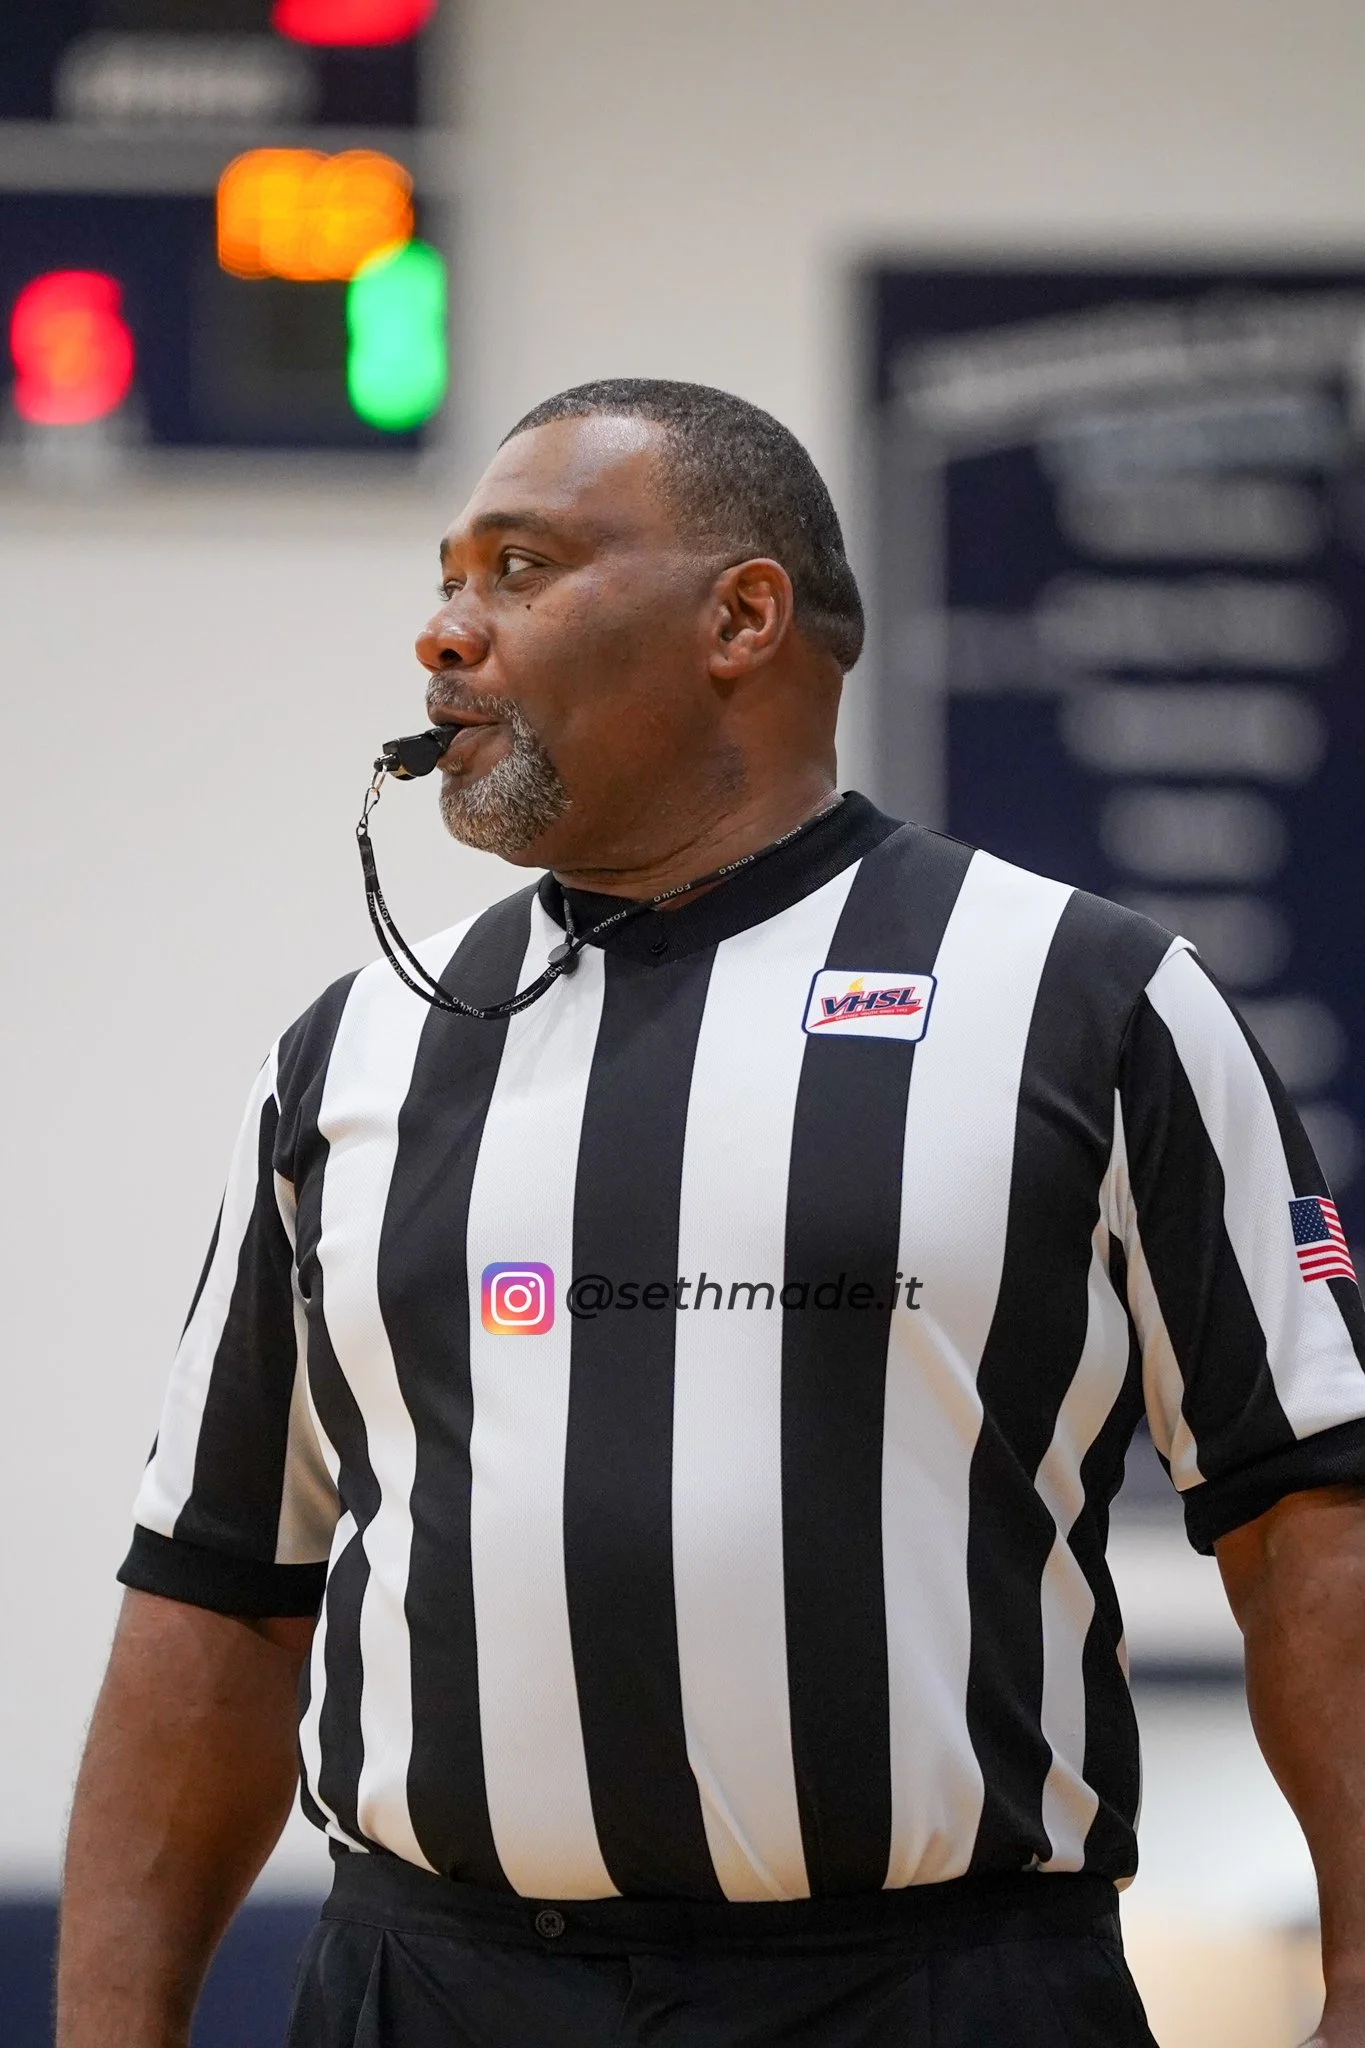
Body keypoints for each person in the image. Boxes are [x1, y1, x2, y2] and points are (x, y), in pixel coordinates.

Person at [58, 380, 1365, 2048]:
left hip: (941, 1994)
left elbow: (1310, 1510)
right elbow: (219, 1580)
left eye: (517, 569)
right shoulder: (351, 1047)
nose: (444, 637)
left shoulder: (1091, 1000)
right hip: (427, 1988)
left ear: (742, 617)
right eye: (447, 580)